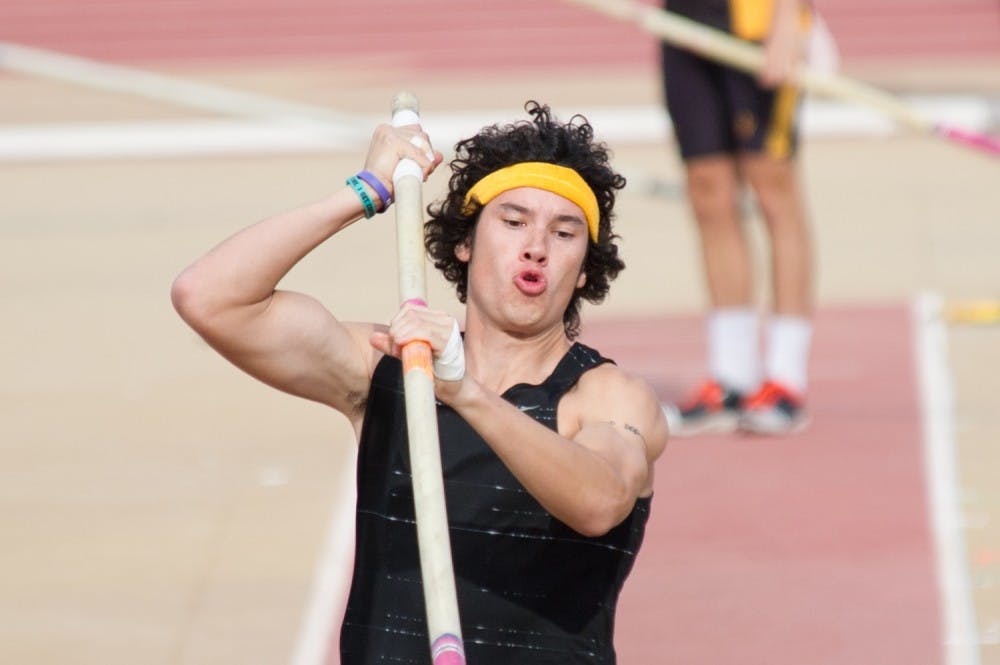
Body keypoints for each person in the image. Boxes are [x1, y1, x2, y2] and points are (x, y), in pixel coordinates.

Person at [171, 101, 668, 664]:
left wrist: (465, 392)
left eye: (564, 232)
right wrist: (363, 192)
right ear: (465, 242)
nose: (536, 246)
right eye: (513, 222)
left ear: (583, 270)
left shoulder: (608, 396)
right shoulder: (388, 369)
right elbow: (208, 297)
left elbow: (600, 501)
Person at [659, 0, 818, 436]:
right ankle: (733, 377)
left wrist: (788, 19)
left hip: (758, 20)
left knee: (772, 187)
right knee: (708, 188)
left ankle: (786, 379)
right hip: (684, 18)